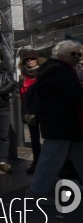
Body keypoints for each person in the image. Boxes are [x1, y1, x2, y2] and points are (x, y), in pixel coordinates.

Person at [26, 41, 83, 200]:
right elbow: (74, 95)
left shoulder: (55, 69)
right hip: (61, 124)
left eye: (79, 54)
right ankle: (35, 193)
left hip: (65, 125)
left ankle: (36, 193)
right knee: (50, 161)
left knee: (78, 157)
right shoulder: (61, 70)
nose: (77, 57)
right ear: (61, 54)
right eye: (74, 54)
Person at [18, 49, 45, 174]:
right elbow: (21, 93)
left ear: (37, 59)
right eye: (27, 59)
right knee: (34, 138)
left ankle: (47, 163)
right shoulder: (22, 75)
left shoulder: (44, 72)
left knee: (48, 137)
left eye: (32, 59)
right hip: (30, 110)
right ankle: (37, 162)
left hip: (44, 109)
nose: (29, 61)